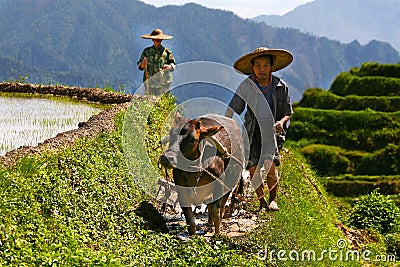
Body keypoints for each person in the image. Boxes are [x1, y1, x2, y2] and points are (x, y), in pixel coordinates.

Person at [225, 47, 293, 211]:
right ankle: (262, 201)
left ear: (271, 66)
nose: (262, 69)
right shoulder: (247, 86)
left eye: (265, 66)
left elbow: (288, 113)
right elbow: (233, 108)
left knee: (270, 164)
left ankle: (273, 199)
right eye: (258, 66)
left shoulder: (279, 86)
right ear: (252, 67)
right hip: (252, 131)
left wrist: (281, 122)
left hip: (271, 131)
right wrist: (226, 125)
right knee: (253, 167)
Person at [137, 28, 176, 95]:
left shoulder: (166, 52)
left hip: (163, 83)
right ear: (152, 39)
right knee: (150, 100)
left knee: (162, 101)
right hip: (150, 83)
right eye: (157, 39)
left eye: (160, 39)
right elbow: (140, 66)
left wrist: (170, 66)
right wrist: (143, 64)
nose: (158, 41)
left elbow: (173, 65)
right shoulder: (147, 51)